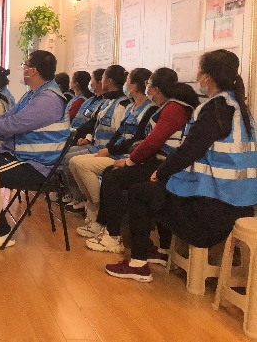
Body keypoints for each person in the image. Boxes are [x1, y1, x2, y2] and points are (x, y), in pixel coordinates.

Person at [105, 50, 257, 283]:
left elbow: (188, 151)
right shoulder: (239, 108)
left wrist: (160, 172)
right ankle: (162, 251)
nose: (197, 77)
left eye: (200, 72)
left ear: (208, 77)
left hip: (213, 206)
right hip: (241, 202)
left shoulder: (215, 109)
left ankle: (138, 264)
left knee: (140, 193)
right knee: (160, 188)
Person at [0, 50, 69, 250]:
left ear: (33, 71)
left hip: (37, 166)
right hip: (23, 157)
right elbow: (7, 118)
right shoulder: (34, 94)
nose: (22, 69)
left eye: (25, 66)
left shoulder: (48, 99)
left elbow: (13, 125)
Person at [86, 70, 200, 254]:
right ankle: (109, 229)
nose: (147, 89)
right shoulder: (172, 106)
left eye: (149, 85)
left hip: (167, 166)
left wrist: (130, 161)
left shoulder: (173, 108)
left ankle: (114, 237)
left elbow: (154, 141)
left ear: (156, 89)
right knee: (110, 173)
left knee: (113, 178)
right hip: (161, 162)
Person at [69, 68, 156, 238]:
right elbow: (119, 132)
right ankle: (93, 205)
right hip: (114, 151)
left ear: (134, 85)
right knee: (73, 162)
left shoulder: (149, 110)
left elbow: (138, 139)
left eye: (128, 81)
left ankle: (99, 209)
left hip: (127, 156)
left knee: (82, 165)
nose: (125, 84)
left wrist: (110, 150)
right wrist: (108, 148)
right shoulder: (131, 107)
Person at [61, 66, 129, 212]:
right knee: (67, 157)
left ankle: (94, 204)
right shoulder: (108, 101)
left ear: (108, 80)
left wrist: (109, 150)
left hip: (109, 151)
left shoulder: (122, 105)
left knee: (70, 159)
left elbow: (120, 134)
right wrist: (87, 137)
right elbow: (95, 124)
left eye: (102, 78)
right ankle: (86, 200)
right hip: (96, 145)